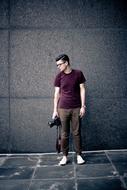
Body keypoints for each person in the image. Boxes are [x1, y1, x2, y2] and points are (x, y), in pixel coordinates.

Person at [52, 54, 86, 166]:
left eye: (60, 64)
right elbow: (56, 94)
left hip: (76, 108)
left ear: (66, 63)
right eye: (57, 65)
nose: (58, 67)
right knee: (64, 134)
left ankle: (79, 155)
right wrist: (55, 110)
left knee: (77, 133)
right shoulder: (59, 76)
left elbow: (82, 89)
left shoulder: (78, 74)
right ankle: (64, 156)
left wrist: (83, 106)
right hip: (62, 108)